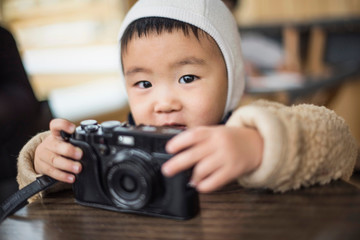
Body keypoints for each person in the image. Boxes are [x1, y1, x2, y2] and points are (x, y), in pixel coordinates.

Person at [17, 0, 358, 201]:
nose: (164, 102)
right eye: (144, 83)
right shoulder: (119, 143)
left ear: (233, 81)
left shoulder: (251, 124)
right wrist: (49, 162)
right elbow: (39, 192)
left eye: (187, 78)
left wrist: (258, 146)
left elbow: (338, 143)